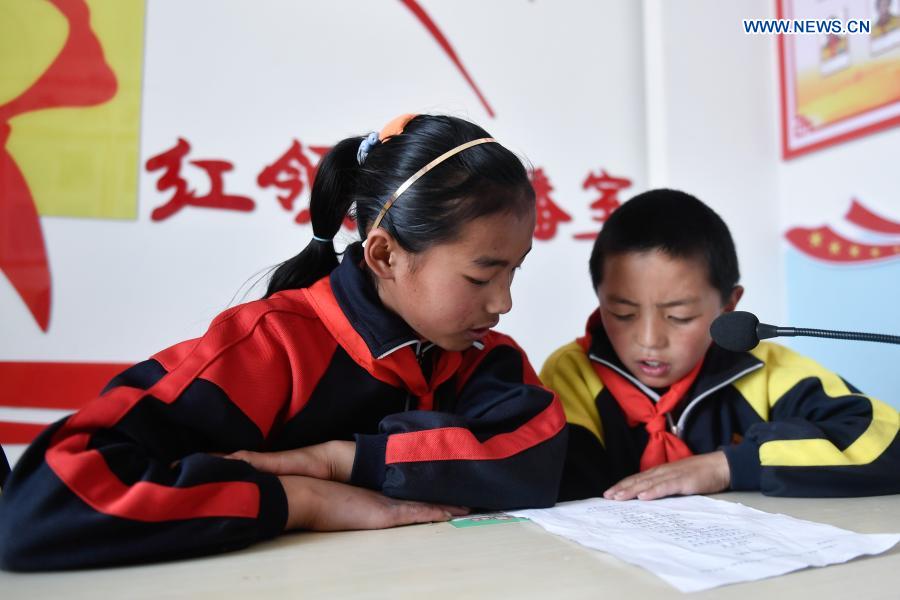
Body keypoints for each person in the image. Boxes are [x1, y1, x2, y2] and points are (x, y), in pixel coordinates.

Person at [0, 114, 567, 570]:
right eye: (480, 276)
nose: (504, 303)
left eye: (514, 271)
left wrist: (336, 463)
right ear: (385, 255)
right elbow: (45, 503)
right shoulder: (270, 348)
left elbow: (540, 456)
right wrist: (303, 502)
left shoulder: (478, 356)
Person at [540, 188, 900, 502]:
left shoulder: (768, 369)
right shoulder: (575, 373)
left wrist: (731, 465)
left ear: (729, 306)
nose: (649, 340)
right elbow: (557, 482)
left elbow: (886, 443)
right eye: (622, 313)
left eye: (679, 317)